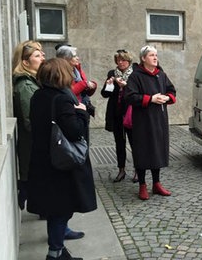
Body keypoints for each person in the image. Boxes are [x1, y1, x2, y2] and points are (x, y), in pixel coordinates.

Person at [28, 58, 97, 260]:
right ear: (62, 75)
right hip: (60, 164)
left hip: (43, 159)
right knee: (61, 209)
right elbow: (75, 132)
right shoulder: (62, 99)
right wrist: (83, 114)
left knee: (54, 208)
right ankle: (55, 253)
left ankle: (58, 250)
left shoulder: (38, 95)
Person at [124, 45, 176, 200]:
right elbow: (130, 96)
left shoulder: (161, 74)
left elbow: (172, 91)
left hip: (159, 119)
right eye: (152, 55)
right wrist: (150, 99)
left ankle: (156, 183)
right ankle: (142, 185)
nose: (155, 58)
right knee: (142, 151)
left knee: (157, 150)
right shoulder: (135, 76)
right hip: (143, 120)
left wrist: (167, 98)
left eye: (156, 55)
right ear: (143, 58)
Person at [12, 40, 45, 210]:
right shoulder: (25, 85)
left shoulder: (33, 80)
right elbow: (29, 120)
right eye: (38, 55)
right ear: (25, 62)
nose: (43, 58)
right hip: (32, 145)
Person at [101, 49, 137, 183]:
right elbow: (105, 94)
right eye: (118, 60)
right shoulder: (112, 73)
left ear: (129, 61)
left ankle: (137, 170)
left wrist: (125, 86)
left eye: (123, 60)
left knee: (135, 143)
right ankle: (121, 170)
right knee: (119, 143)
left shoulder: (135, 73)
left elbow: (137, 92)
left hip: (131, 113)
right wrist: (108, 85)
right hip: (116, 114)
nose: (120, 62)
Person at [56, 44, 97, 117]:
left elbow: (85, 91)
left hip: (84, 104)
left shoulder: (76, 69)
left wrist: (92, 86)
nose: (77, 58)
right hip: (72, 107)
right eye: (74, 56)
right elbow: (68, 92)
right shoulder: (59, 72)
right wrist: (85, 84)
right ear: (66, 58)